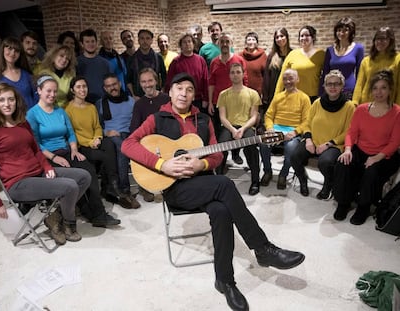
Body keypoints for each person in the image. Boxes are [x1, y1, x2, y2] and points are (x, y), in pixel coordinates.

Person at [121, 72, 305, 311]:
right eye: (179, 88)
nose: (184, 93)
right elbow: (128, 145)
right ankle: (262, 248)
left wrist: (203, 164)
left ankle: (225, 281)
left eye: (189, 90)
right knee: (225, 184)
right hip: (175, 188)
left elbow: (217, 154)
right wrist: (161, 164)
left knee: (221, 211)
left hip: (204, 183)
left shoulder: (203, 119)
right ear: (171, 91)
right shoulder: (157, 119)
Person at [0, 83, 91, 245]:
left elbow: (36, 149)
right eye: (2, 100)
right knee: (69, 186)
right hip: (18, 184)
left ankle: (55, 218)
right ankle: (69, 225)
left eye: (11, 99)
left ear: (16, 101)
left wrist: (47, 166)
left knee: (84, 176)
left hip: (38, 172)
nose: (7, 104)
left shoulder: (22, 123)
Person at [26, 75, 121, 227]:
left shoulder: (59, 111)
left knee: (88, 171)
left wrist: (74, 149)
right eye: (48, 91)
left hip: (67, 150)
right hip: (47, 156)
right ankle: (91, 212)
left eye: (55, 91)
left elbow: (70, 133)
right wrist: (54, 158)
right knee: (73, 178)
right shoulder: (32, 114)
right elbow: (34, 144)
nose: (52, 94)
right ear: (39, 91)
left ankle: (98, 213)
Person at [333, 70, 400, 225]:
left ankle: (363, 207)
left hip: (384, 155)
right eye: (375, 88)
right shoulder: (362, 109)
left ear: (390, 90)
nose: (379, 92)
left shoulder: (397, 112)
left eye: (383, 88)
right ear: (371, 90)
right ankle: (343, 203)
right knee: (344, 163)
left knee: (372, 171)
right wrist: (348, 149)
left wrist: (376, 157)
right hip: (361, 149)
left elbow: (395, 142)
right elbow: (351, 133)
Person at [65, 76, 133, 208]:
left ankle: (111, 185)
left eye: (84, 86)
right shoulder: (68, 110)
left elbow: (97, 126)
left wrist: (98, 138)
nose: (82, 89)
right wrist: (90, 142)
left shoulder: (91, 107)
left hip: (95, 140)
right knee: (106, 155)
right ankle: (112, 186)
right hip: (82, 145)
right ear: (72, 90)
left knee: (109, 144)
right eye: (78, 87)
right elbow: (72, 133)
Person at [290, 70, 355, 199]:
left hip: (334, 145)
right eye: (329, 84)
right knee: (294, 156)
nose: (332, 87)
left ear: (342, 86)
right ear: (324, 86)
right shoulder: (317, 102)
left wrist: (328, 144)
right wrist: (308, 140)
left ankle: (328, 184)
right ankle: (303, 180)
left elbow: (349, 131)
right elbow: (307, 123)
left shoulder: (349, 107)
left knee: (324, 162)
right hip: (313, 141)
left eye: (336, 84)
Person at [260, 69, 311, 190]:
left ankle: (283, 174)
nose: (288, 81)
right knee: (263, 143)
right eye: (285, 79)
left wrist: (295, 132)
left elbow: (307, 121)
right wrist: (270, 128)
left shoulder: (304, 98)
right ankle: (267, 171)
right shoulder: (278, 97)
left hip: (293, 131)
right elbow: (268, 115)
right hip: (276, 129)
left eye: (291, 78)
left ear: (297, 80)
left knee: (291, 148)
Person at [96, 74, 141, 209]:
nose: (112, 88)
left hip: (128, 134)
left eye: (114, 84)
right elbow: (96, 126)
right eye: (108, 86)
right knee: (123, 147)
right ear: (105, 88)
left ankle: (121, 190)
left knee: (124, 146)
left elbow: (136, 122)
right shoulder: (100, 104)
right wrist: (106, 133)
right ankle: (124, 190)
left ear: (120, 84)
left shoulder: (131, 101)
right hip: (111, 136)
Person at [216, 63, 261, 195]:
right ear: (229, 75)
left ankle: (255, 180)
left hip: (246, 126)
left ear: (243, 74)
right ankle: (217, 180)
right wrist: (233, 130)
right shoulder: (223, 94)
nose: (235, 75)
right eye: (232, 72)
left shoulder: (253, 94)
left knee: (251, 146)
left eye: (238, 72)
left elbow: (254, 117)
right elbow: (222, 117)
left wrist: (243, 129)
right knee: (220, 147)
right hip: (229, 126)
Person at [130, 68, 170, 202]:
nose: (147, 85)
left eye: (150, 80)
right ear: (140, 84)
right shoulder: (139, 104)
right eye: (143, 82)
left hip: (167, 138)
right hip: (148, 141)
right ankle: (145, 186)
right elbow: (134, 129)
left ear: (156, 81)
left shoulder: (167, 99)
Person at [208, 32, 248, 137]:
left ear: (232, 43)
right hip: (218, 102)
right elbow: (211, 83)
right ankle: (222, 154)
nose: (225, 44)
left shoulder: (239, 60)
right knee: (220, 133)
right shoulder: (214, 62)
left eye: (227, 41)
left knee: (237, 130)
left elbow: (245, 81)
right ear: (218, 44)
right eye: (222, 42)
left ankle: (235, 154)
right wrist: (210, 102)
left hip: (236, 101)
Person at [275, 25, 325, 103]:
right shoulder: (293, 54)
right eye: (302, 36)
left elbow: (326, 75)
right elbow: (282, 77)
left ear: (313, 37)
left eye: (307, 35)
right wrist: (276, 97)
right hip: (295, 96)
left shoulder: (321, 54)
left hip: (314, 98)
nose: (304, 38)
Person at [352, 27, 400, 106]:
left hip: (388, 105)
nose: (379, 42)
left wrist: (398, 106)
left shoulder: (398, 59)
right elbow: (359, 84)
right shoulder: (366, 61)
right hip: (366, 104)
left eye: (383, 39)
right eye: (377, 39)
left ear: (391, 41)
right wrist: (354, 102)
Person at [0, 37, 36, 110]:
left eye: (16, 51)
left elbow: (36, 95)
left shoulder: (26, 74)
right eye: (9, 49)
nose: (13, 53)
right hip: (10, 119)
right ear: (3, 50)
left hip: (31, 117)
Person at [320, 18, 364, 99]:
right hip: (332, 90)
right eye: (339, 30)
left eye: (345, 30)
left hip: (349, 90)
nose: (341, 33)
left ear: (351, 32)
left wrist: (359, 94)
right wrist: (322, 93)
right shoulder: (330, 50)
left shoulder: (358, 48)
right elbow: (325, 72)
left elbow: (360, 74)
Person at [165, 33, 209, 113]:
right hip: (181, 99)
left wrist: (206, 99)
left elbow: (205, 80)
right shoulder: (176, 62)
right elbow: (170, 82)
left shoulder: (200, 60)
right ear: (181, 46)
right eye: (184, 42)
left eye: (189, 41)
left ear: (193, 44)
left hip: (198, 99)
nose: (187, 44)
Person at [127, 29, 167, 100]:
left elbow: (164, 77)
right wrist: (133, 95)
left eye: (147, 38)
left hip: (156, 96)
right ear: (138, 40)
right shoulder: (131, 59)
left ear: (151, 40)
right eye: (142, 38)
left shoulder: (158, 58)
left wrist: (162, 91)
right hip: (139, 97)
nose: (145, 41)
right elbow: (128, 80)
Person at [76, 29, 113, 104]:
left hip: (103, 101)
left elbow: (110, 83)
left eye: (93, 41)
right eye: (87, 42)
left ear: (96, 42)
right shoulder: (76, 62)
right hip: (84, 102)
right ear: (82, 44)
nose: (90, 44)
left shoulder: (105, 63)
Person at [262, 27, 292, 114]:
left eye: (282, 36)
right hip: (274, 93)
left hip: (289, 92)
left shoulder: (293, 54)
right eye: (277, 37)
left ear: (286, 37)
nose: (279, 39)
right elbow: (267, 77)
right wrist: (265, 97)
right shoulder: (271, 56)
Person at [239, 31, 267, 97]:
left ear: (257, 42)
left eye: (253, 39)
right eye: (249, 40)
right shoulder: (240, 56)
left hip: (258, 92)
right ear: (246, 42)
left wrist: (264, 91)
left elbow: (265, 75)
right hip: (243, 91)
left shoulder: (263, 56)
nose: (251, 42)